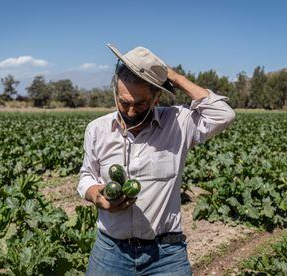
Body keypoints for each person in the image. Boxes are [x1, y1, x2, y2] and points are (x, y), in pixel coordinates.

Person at [77, 44, 236, 275]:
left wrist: (171, 75)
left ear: (156, 97)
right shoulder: (97, 129)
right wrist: (97, 196)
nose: (130, 112)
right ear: (115, 93)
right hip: (110, 251)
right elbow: (86, 177)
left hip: (166, 254)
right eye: (124, 102)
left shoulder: (179, 123)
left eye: (140, 103)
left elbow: (224, 114)